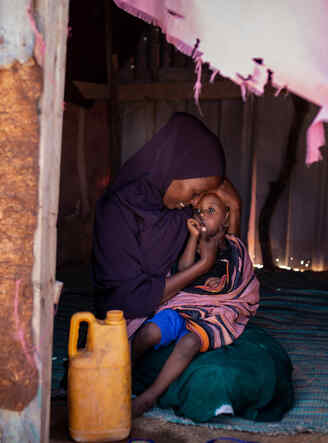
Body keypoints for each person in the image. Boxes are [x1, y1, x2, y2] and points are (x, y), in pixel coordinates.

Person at [92, 113, 240, 320]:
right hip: (124, 321)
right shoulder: (117, 211)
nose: (197, 203)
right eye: (196, 193)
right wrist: (202, 265)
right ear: (172, 169)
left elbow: (231, 263)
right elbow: (124, 300)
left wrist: (234, 207)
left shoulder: (181, 209)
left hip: (177, 310)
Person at [129, 192, 260, 417]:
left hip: (215, 310)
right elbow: (183, 270)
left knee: (190, 342)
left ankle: (150, 395)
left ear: (226, 219)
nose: (203, 216)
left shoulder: (234, 248)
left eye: (211, 211)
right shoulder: (192, 243)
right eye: (199, 212)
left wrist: (221, 283)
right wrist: (192, 238)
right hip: (184, 305)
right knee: (148, 332)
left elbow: (240, 280)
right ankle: (121, 373)